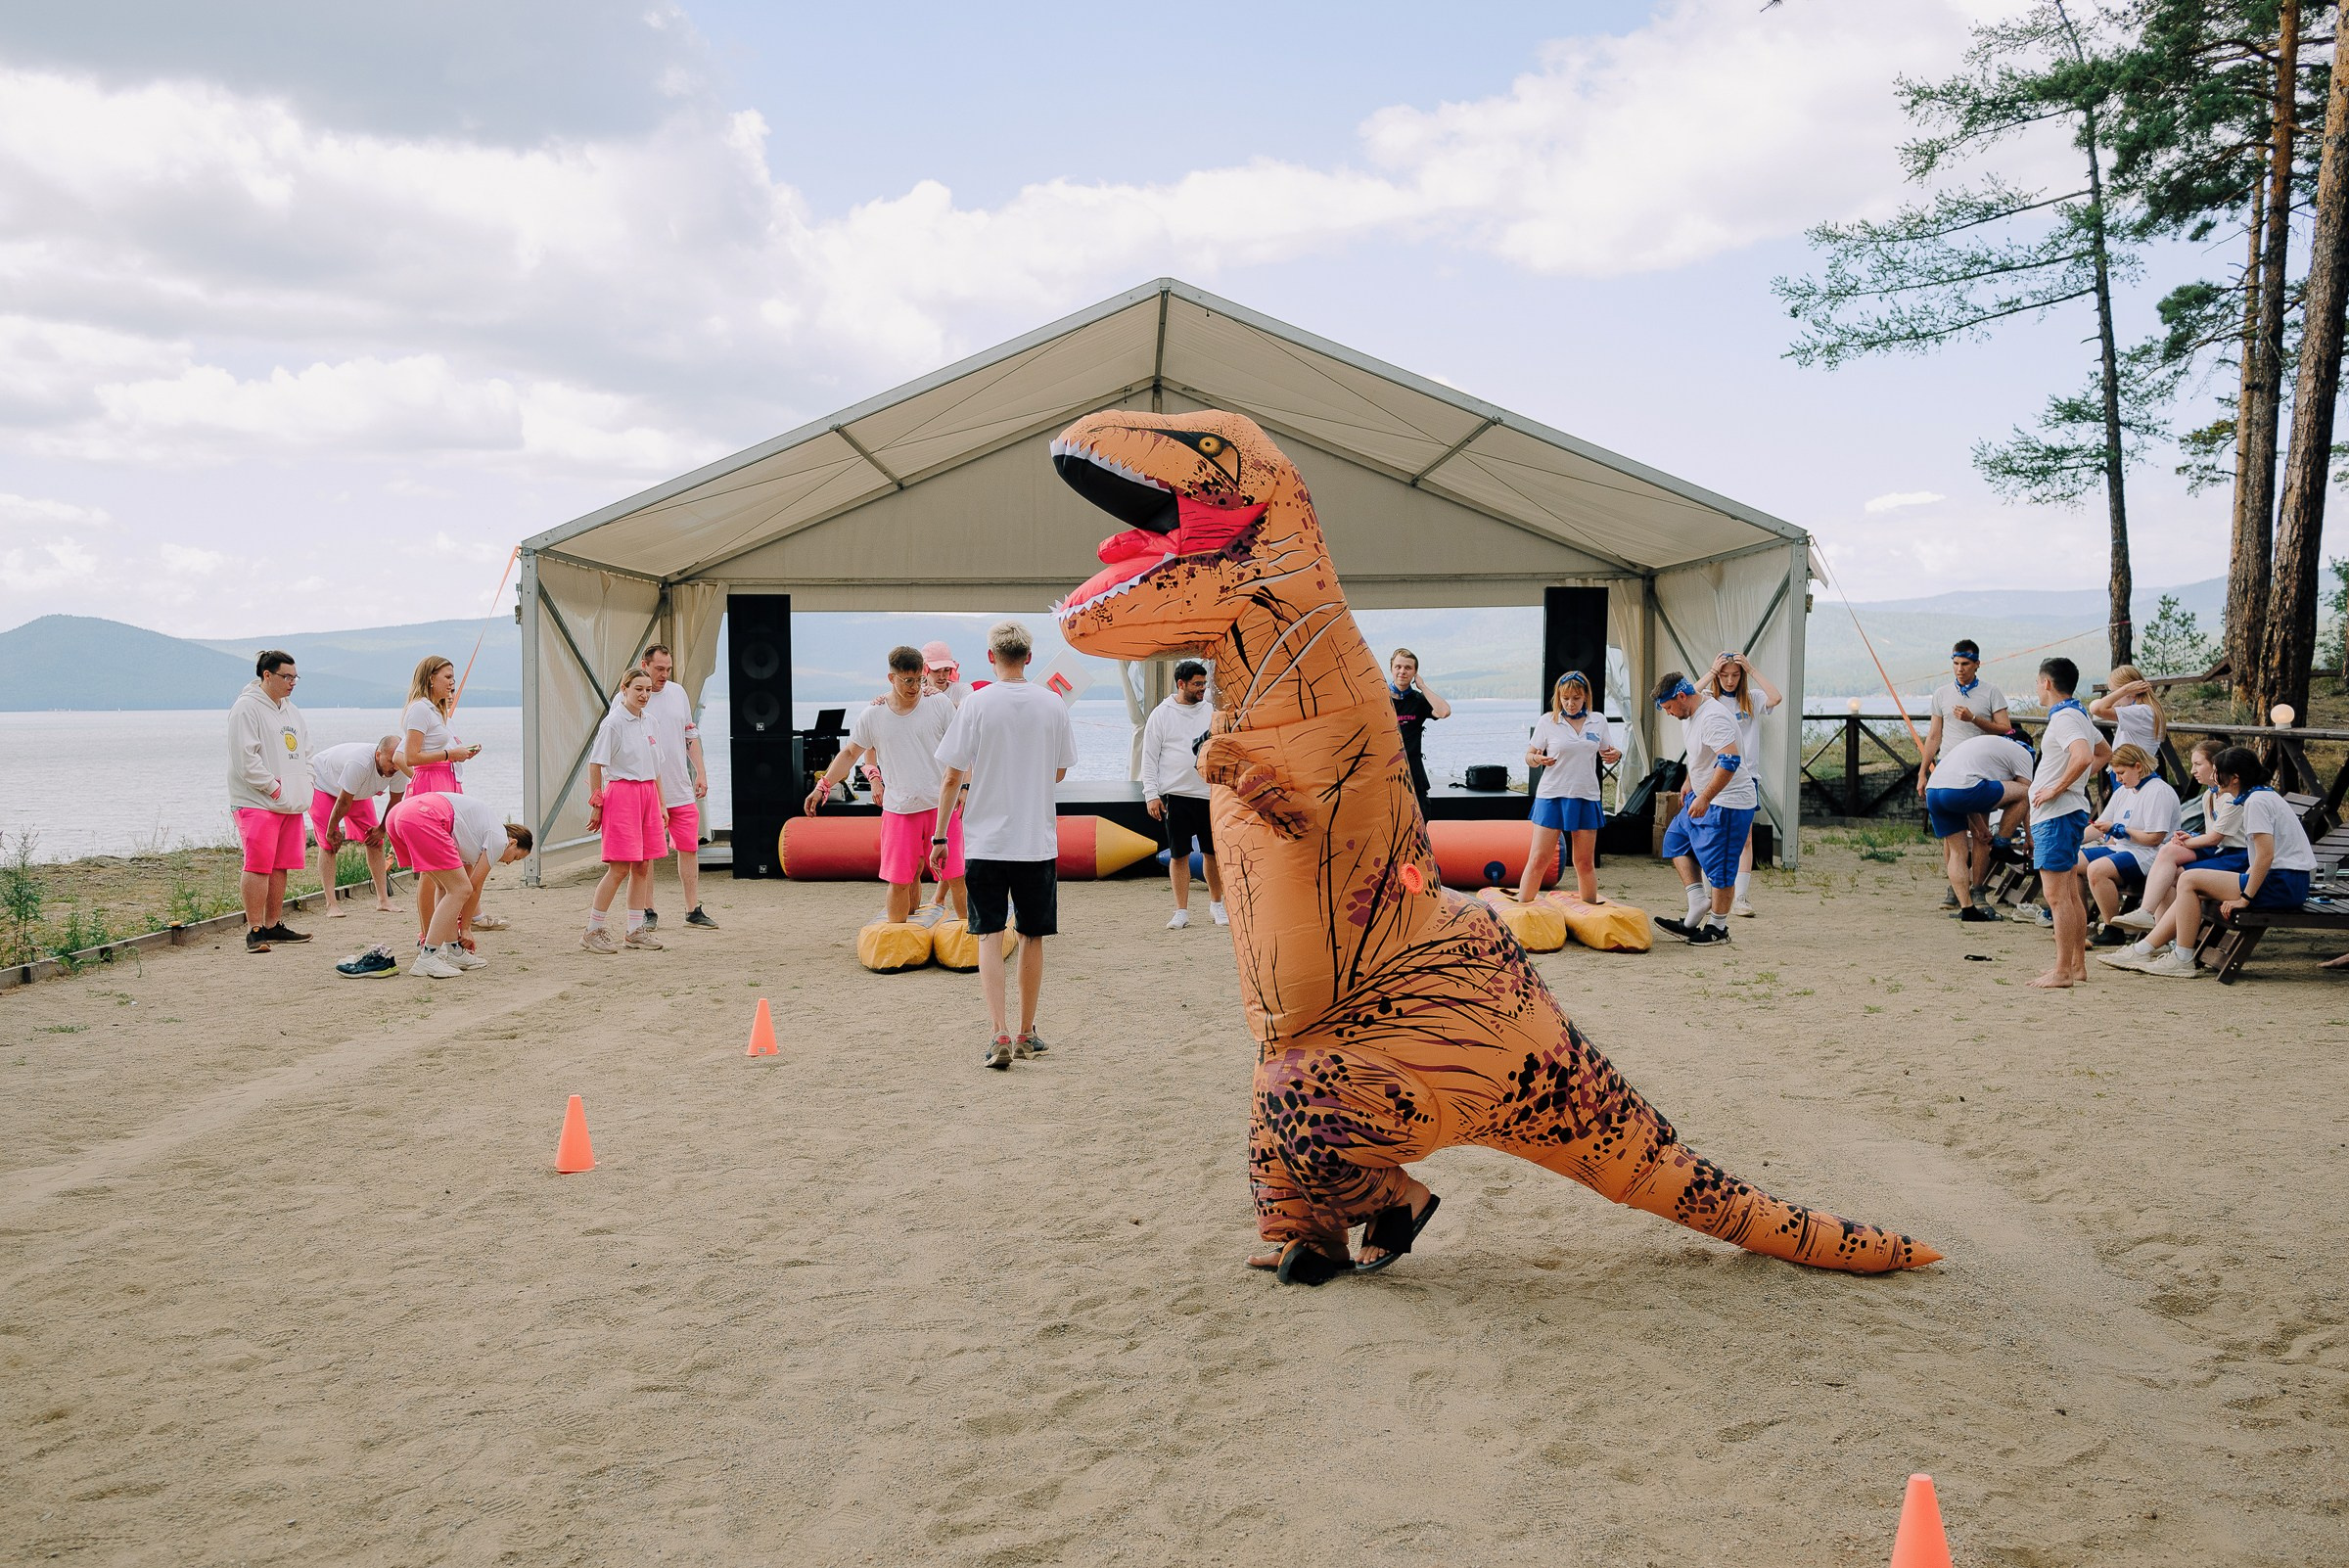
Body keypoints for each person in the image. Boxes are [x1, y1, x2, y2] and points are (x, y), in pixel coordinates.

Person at [933, 621, 1077, 1069]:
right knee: (1031, 936)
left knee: (990, 936)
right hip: (1035, 840)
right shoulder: (1052, 703)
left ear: (991, 657)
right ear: (1028, 658)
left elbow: (951, 776)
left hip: (986, 841)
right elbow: (1059, 771)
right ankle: (1026, 1032)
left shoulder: (975, 704)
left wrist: (940, 835)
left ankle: (998, 1031)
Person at [2098, 746, 2314, 978]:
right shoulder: (2259, 796)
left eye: (2218, 772)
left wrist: (2245, 898)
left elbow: (2265, 856)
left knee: (2188, 879)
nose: (2214, 776)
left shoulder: (2256, 802)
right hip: (2284, 879)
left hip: (2283, 883)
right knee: (2189, 883)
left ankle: (2181, 957)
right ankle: (2144, 949)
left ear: (2234, 778)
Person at [806, 645, 966, 922]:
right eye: (908, 681)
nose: (915, 687)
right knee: (900, 880)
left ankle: (971, 933)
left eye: (919, 679)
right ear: (892, 678)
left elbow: (961, 751)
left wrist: (964, 787)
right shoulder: (874, 713)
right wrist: (823, 785)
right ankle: (898, 934)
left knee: (956, 877)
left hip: (940, 805)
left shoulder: (938, 704)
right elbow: (850, 753)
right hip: (900, 809)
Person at [1649, 670, 1752, 945]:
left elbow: (1729, 761)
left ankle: (1718, 927)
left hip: (1727, 802)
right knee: (1675, 840)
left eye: (1669, 707)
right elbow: (1700, 755)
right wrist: (1689, 781)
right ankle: (1697, 902)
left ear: (1682, 697)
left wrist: (1705, 797)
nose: (1668, 713)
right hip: (1702, 794)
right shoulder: (1690, 709)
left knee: (1720, 868)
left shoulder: (1712, 718)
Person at [382, 792, 531, 979]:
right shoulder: (499, 839)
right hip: (423, 817)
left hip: (399, 815)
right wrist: (466, 928)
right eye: (516, 857)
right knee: (461, 889)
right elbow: (473, 887)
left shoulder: (476, 835)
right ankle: (428, 957)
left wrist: (462, 932)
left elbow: (459, 886)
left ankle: (454, 952)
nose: (509, 863)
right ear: (512, 842)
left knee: (446, 887)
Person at [2026, 657, 2108, 989]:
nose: (2037, 688)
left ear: (2046, 683)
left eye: (2037, 682)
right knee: (2070, 893)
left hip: (2057, 815)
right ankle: (2076, 966)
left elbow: (2085, 756)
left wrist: (2057, 788)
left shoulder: (2065, 718)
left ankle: (2062, 971)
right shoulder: (2079, 714)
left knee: (2057, 897)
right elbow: (2105, 752)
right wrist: (2073, 782)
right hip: (2066, 812)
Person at [2109, 738, 2243, 936]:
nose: (2193, 770)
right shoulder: (2209, 795)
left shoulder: (2232, 797)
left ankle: (2158, 928)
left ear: (2217, 765)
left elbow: (2215, 838)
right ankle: (2151, 921)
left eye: (2198, 764)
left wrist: (2187, 841)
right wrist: (2189, 836)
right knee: (2170, 854)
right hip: (2220, 850)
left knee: (2176, 869)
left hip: (2237, 855)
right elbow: (2213, 835)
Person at [625, 644, 715, 932]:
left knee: (689, 847)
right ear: (645, 665)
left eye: (668, 669)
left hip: (680, 786)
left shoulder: (678, 693)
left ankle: (692, 909)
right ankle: (648, 909)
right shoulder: (629, 698)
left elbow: (690, 733)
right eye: (659, 669)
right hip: (648, 789)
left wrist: (700, 772)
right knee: (648, 853)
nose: (664, 675)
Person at [227, 650, 312, 953]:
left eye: (295, 677)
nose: (292, 683)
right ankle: (254, 930)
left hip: (290, 801)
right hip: (257, 800)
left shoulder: (292, 711)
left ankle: (273, 924)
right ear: (267, 675)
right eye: (286, 677)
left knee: (280, 864)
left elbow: (306, 751)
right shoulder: (246, 708)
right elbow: (245, 759)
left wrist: (306, 783)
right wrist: (274, 788)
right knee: (258, 864)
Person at [1916, 640, 2012, 907]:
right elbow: (1934, 736)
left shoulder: (1991, 692)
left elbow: (2006, 728)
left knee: (1980, 831)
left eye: (1966, 664)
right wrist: (1923, 772)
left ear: (1977, 664)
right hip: (1947, 768)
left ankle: (1978, 889)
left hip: (1980, 769)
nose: (1960, 669)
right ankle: (1955, 890)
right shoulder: (1942, 694)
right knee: (1952, 834)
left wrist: (1974, 720)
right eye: (1956, 663)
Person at [580, 669, 669, 954]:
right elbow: (596, 764)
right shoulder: (613, 723)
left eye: (648, 690)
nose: (644, 695)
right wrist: (597, 803)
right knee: (619, 867)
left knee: (643, 865)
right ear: (624, 689)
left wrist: (661, 803)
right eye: (638, 689)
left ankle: (634, 930)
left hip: (647, 795)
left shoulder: (651, 722)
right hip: (622, 795)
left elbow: (656, 768)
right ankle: (592, 930)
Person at [1517, 669, 1618, 905]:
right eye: (1565, 698)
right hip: (1552, 795)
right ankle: (1522, 907)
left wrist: (1616, 754)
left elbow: (1609, 750)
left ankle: (1589, 910)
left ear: (1586, 697)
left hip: (1585, 796)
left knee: (1584, 862)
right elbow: (1529, 756)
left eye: (1576, 698)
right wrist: (1537, 759)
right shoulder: (1548, 721)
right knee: (1539, 859)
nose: (1570, 704)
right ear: (1558, 698)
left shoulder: (1598, 720)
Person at [1142, 659, 1225, 928]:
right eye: (1197, 684)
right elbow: (1149, 756)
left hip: (1210, 793)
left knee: (1213, 853)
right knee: (1179, 854)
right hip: (1176, 795)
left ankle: (1217, 905)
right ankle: (1181, 911)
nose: (1203, 688)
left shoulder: (1212, 710)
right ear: (1181, 684)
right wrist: (1151, 794)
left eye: (1204, 683)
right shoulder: (1161, 714)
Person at [1698, 651, 1782, 915]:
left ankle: (1741, 897)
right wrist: (1711, 672)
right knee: (1710, 835)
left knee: (1745, 838)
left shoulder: (1752, 698)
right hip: (1715, 775)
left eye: (1735, 675)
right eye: (1724, 675)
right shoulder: (1709, 700)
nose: (1730, 680)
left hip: (1747, 776)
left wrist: (1752, 669)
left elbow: (1776, 697)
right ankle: (1707, 895)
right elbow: (1687, 695)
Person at [1921, 730, 2033, 920]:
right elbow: (2027, 795)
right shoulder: (2023, 753)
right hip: (1963, 789)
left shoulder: (1986, 748)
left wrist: (1981, 828)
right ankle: (2002, 845)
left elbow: (1965, 797)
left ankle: (1967, 909)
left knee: (1957, 853)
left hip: (1934, 791)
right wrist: (2029, 837)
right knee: (2025, 792)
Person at [2082, 744, 2182, 942]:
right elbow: (2100, 826)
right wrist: (2069, 840)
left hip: (2149, 854)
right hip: (2122, 848)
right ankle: (2081, 922)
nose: (2118, 779)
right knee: (2069, 861)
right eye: (2116, 774)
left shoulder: (2158, 791)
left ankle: (2112, 928)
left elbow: (2154, 839)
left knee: (2097, 870)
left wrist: (2121, 830)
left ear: (2138, 766)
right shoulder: (2123, 791)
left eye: (2121, 773)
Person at [308, 735, 408, 916]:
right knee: (329, 843)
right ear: (378, 755)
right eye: (390, 762)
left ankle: (383, 901)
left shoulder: (399, 766)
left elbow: (396, 800)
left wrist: (382, 829)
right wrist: (331, 830)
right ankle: (331, 904)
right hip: (322, 783)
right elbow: (343, 802)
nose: (395, 767)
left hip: (356, 791)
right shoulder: (359, 763)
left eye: (397, 762)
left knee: (375, 840)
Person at [400, 656, 481, 796]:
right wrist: (449, 754)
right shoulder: (420, 708)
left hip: (445, 777)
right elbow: (410, 758)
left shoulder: (436, 712)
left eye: (453, 679)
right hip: (430, 779)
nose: (452, 683)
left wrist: (456, 755)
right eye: (448, 677)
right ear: (431, 679)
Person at [1387, 648, 1450, 805]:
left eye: (1408, 668)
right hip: (1386, 770)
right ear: (1391, 669)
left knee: (1422, 813)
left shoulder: (1418, 700)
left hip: (1414, 770)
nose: (1402, 671)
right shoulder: (1380, 700)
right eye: (1398, 667)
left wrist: (1422, 687)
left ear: (1415, 672)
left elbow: (1444, 711)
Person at [2089, 665, 2166, 764]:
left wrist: (2124, 690)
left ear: (2131, 692)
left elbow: (2096, 709)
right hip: (2131, 768)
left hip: (2131, 769)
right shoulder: (2142, 709)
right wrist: (2122, 693)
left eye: (2115, 692)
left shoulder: (2139, 712)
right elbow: (2095, 706)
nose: (2114, 697)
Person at [922, 640, 974, 706]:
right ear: (925, 669)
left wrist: (941, 698)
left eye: (946, 670)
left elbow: (969, 708)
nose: (942, 676)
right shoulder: (917, 693)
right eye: (936, 670)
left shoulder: (962, 689)